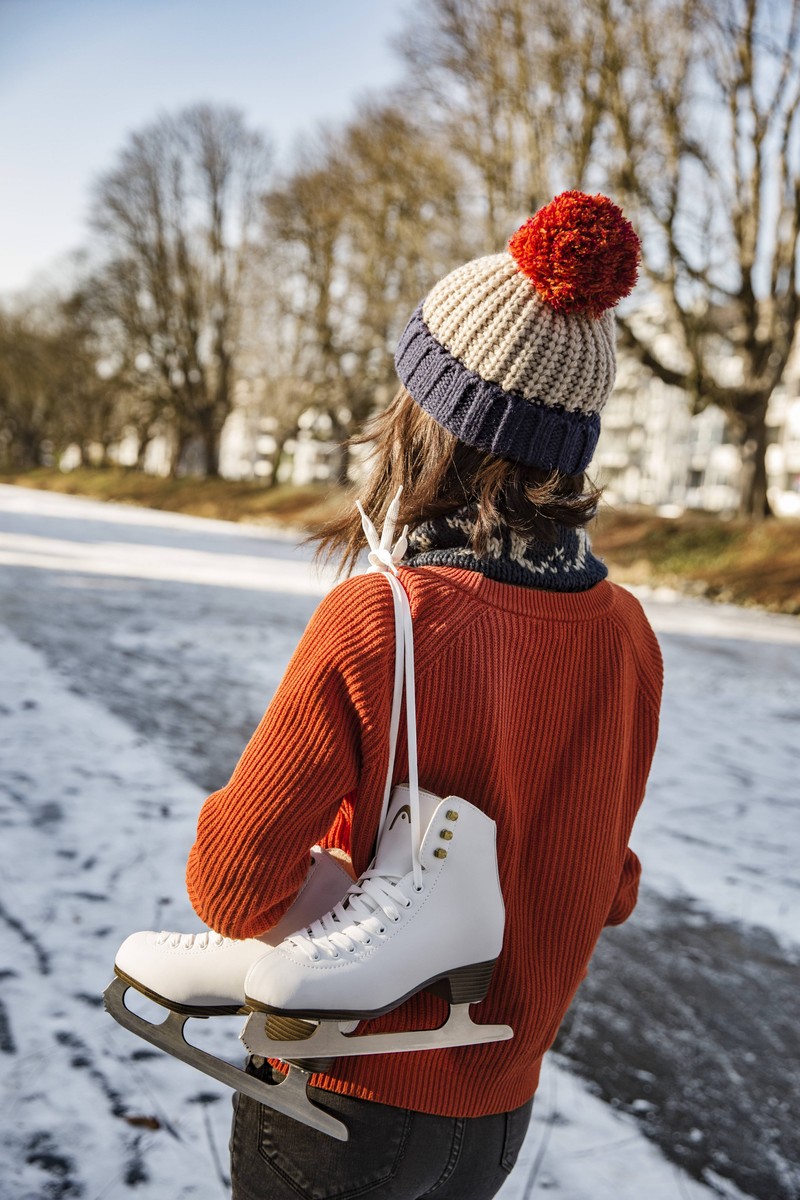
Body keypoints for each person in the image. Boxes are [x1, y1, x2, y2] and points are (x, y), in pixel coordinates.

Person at [168, 192, 663, 1199]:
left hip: (336, 1097)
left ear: (429, 420)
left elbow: (231, 886)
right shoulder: (625, 634)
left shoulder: (382, 617)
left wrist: (344, 892)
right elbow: (607, 884)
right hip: (495, 1115)